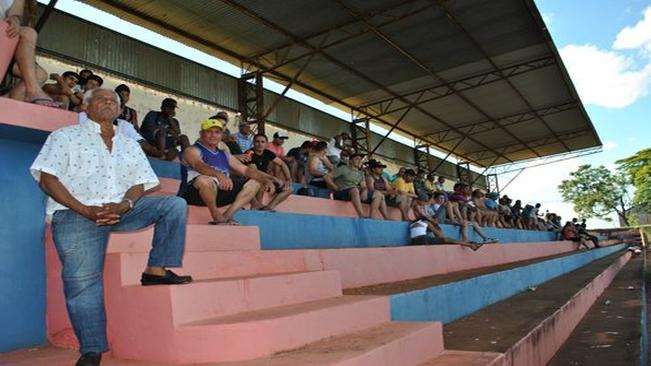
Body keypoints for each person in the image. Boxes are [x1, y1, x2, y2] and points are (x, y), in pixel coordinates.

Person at [30, 88, 192, 366]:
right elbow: (48, 179)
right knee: (82, 283)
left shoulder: (129, 143)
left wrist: (125, 205)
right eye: (101, 99)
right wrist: (84, 210)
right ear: (86, 106)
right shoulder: (65, 136)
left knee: (174, 205)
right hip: (75, 212)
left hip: (120, 210)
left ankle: (155, 270)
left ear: (120, 110)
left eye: (113, 101)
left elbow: (139, 183)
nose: (108, 103)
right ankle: (92, 349)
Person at [181, 119, 277, 225]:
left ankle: (227, 216)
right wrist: (218, 174)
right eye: (209, 131)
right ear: (201, 133)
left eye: (217, 132)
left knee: (255, 182)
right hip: (195, 195)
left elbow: (245, 169)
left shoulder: (224, 154)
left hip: (220, 192)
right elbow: (198, 165)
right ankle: (216, 214)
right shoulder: (192, 150)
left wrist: (265, 179)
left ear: (221, 135)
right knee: (204, 179)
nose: (213, 135)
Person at [2, 0, 61, 107]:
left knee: (40, 74)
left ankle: (11, 104)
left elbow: (15, 14)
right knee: (28, 33)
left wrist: (15, 19)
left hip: (5, 36)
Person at [331, 153, 387, 219]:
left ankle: (372, 217)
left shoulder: (361, 173)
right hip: (342, 192)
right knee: (355, 190)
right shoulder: (343, 168)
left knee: (378, 194)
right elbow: (327, 177)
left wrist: (365, 190)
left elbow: (363, 186)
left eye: (360, 159)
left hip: (354, 193)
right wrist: (336, 188)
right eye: (357, 159)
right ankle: (361, 215)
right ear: (350, 161)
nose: (359, 161)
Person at [245, 134, 293, 211]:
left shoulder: (267, 152)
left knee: (289, 189)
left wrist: (288, 179)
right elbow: (255, 171)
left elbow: (282, 164)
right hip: (253, 178)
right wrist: (273, 178)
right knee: (261, 182)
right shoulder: (249, 153)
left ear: (266, 144)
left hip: (266, 178)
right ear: (253, 142)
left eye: (263, 142)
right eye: (257, 141)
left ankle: (269, 207)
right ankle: (258, 205)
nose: (260, 144)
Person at [409, 218, 482, 251]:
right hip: (422, 239)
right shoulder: (426, 222)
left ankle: (470, 244)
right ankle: (471, 245)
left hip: (413, 242)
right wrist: (437, 226)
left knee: (447, 241)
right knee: (448, 239)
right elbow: (439, 235)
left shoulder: (412, 225)